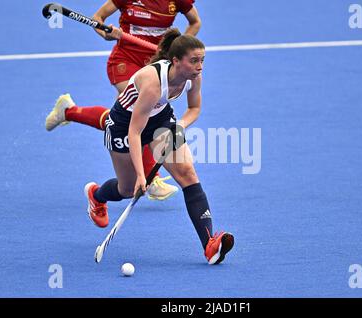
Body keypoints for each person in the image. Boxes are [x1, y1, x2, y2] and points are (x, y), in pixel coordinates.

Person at [82, 29, 234, 264]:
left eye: (202, 60)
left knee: (187, 173)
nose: (200, 66)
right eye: (194, 60)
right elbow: (134, 132)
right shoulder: (153, 83)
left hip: (160, 119)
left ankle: (209, 244)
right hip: (124, 125)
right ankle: (96, 195)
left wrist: (179, 126)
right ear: (176, 61)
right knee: (127, 188)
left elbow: (194, 109)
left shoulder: (193, 77)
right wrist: (143, 177)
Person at [45, 0, 201, 201]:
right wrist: (107, 33)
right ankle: (148, 177)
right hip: (125, 61)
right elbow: (98, 19)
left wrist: (179, 50)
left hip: (159, 64)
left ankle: (69, 111)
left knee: (128, 119)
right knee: (137, 116)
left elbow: (195, 22)